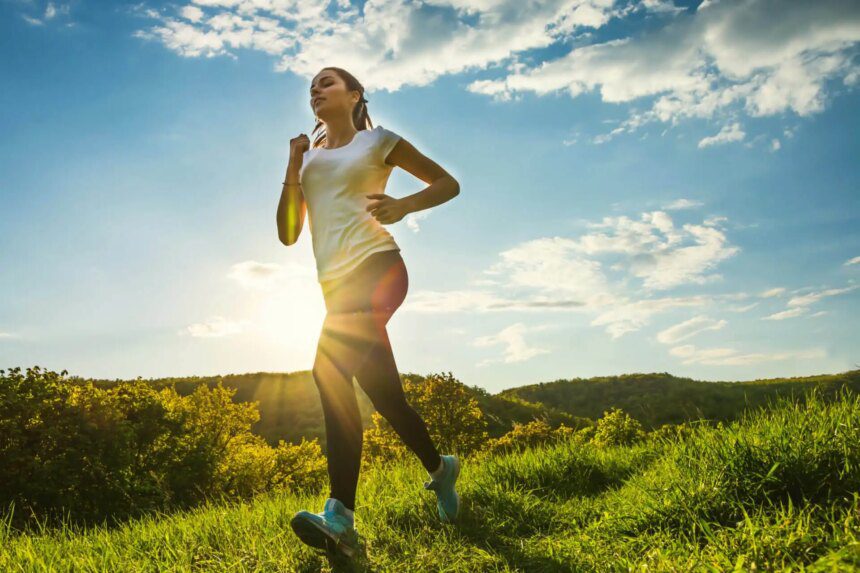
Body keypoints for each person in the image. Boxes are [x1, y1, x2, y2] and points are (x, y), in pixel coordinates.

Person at [276, 66, 462, 559]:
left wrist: (404, 206)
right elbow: (289, 232)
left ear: (355, 94)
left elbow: (448, 184)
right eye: (312, 85)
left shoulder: (379, 141)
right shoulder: (310, 160)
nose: (316, 89)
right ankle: (442, 470)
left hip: (379, 268)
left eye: (328, 82)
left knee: (329, 371)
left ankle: (340, 519)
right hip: (335, 289)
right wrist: (293, 164)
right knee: (387, 399)